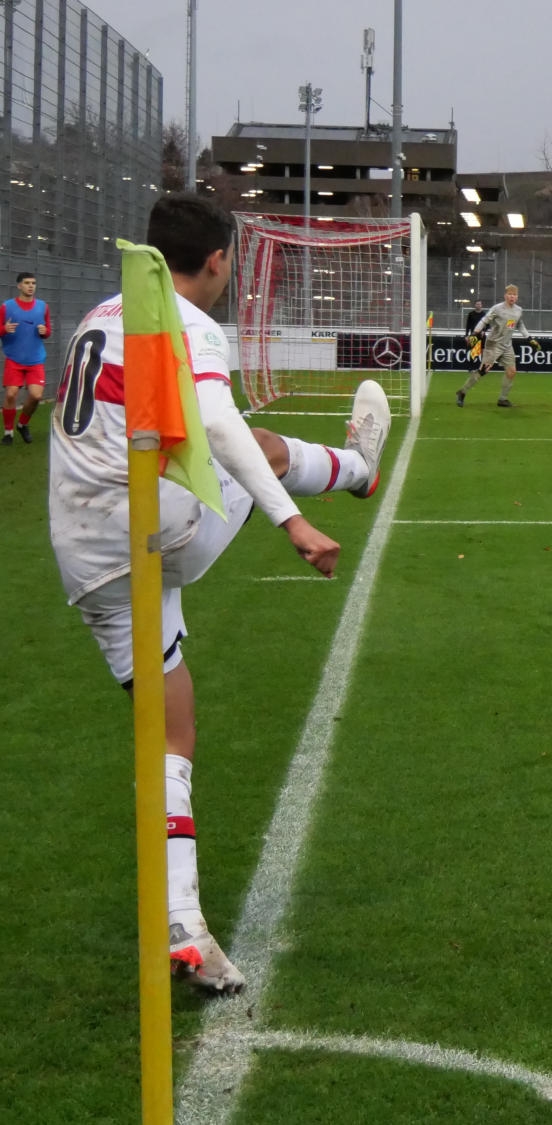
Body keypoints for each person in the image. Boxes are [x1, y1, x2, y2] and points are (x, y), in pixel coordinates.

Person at [48, 193, 392, 993]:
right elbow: (216, 420)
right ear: (217, 260)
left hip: (85, 552)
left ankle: (185, 927)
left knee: (171, 733)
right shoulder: (188, 321)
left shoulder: (99, 314)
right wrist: (292, 523)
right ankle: (359, 468)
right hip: (154, 529)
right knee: (261, 445)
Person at [457, 284, 539, 408]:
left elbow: (520, 325)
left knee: (512, 371)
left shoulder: (518, 310)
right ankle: (462, 392)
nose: (512, 297)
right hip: (493, 344)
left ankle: (502, 399)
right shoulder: (497, 308)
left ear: (517, 297)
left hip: (507, 345)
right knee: (483, 370)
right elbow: (484, 320)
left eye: (514, 295)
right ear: (505, 296)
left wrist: (529, 338)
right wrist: (475, 333)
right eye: (510, 294)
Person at [2, 271, 52, 444]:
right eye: (27, 283)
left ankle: (22, 424)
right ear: (19, 286)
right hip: (14, 359)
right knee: (11, 394)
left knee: (36, 396)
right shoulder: (7, 307)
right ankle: (8, 432)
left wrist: (45, 332)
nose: (31, 286)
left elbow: (48, 331)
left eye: (33, 283)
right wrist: (4, 329)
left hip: (35, 360)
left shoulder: (43, 307)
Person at [462, 297, 487, 385]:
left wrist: (484, 331)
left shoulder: (484, 314)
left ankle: (482, 368)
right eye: (477, 304)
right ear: (475, 305)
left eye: (479, 304)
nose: (478, 305)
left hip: (482, 336)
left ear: (481, 305)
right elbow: (468, 326)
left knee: (483, 351)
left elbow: (488, 325)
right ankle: (471, 368)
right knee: (473, 351)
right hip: (473, 335)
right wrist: (466, 335)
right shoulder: (471, 314)